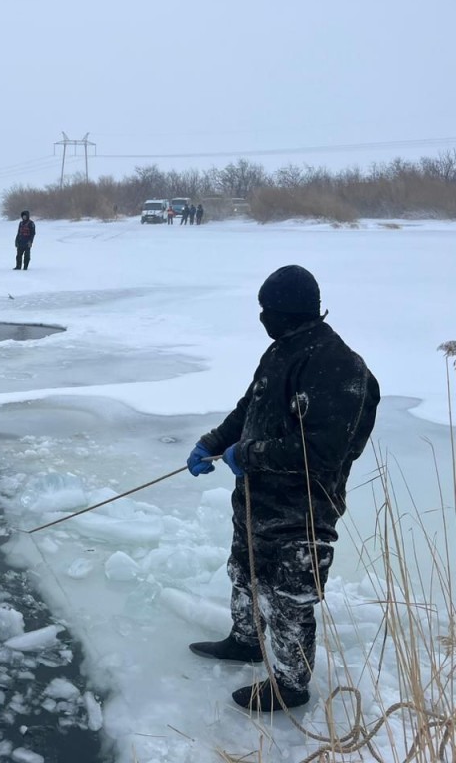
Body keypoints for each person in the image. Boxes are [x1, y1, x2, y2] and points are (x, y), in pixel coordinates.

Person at [185, 265, 379, 712]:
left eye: (267, 310)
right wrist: (213, 443)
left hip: (303, 510)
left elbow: (323, 451)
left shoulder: (339, 367)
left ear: (288, 311)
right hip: (257, 499)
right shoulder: (281, 351)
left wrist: (249, 455)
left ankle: (291, 684)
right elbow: (248, 408)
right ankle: (246, 640)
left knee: (288, 595)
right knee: (246, 572)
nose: (262, 318)